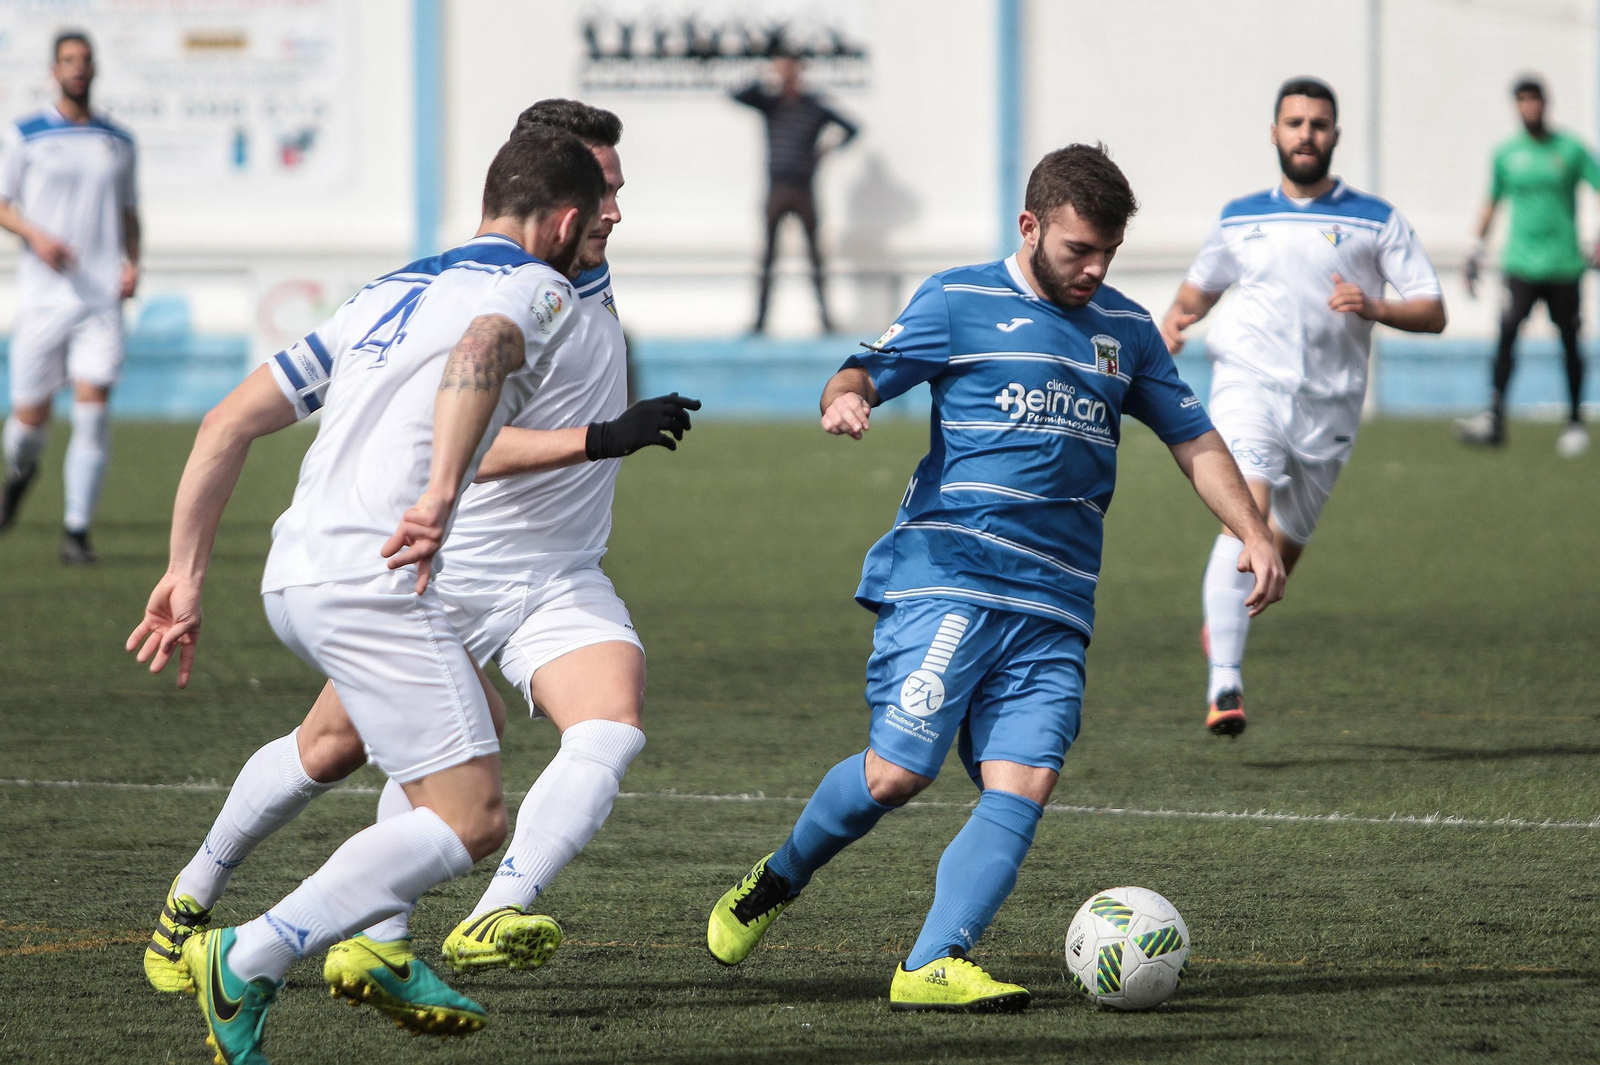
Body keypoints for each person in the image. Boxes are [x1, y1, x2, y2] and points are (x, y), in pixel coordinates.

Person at [140, 100, 700, 1035]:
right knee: (384, 771)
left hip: (434, 567)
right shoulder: (534, 289)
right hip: (419, 563)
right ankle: (235, 936)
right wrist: (474, 481)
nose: (613, 212)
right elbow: (481, 373)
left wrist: (185, 572)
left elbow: (226, 420)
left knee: (567, 725)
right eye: (601, 193)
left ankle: (423, 931)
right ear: (560, 207)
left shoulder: (400, 290)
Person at [705, 144, 1286, 1012]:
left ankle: (932, 960)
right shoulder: (957, 299)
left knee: (1025, 780)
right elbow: (866, 365)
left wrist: (1253, 530)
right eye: (1075, 250)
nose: (1092, 270)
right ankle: (779, 877)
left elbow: (1192, 439)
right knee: (898, 775)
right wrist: (848, 395)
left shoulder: (1124, 332)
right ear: (1030, 227)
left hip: (1055, 603)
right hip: (951, 578)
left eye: (1106, 255)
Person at [1159, 77, 1446, 737]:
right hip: (1249, 387)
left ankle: (1221, 624)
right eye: (1294, 123)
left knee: (1278, 561)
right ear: (1274, 132)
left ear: (1335, 136)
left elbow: (1433, 309)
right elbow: (1197, 290)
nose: (1306, 134)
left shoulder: (1376, 219)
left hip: (1331, 409)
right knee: (1246, 517)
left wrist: (1375, 306)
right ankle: (1224, 683)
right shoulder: (1240, 216)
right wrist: (1176, 320)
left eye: (1318, 124)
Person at [0, 30, 139, 561]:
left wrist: (133, 264)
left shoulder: (118, 140)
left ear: (95, 69)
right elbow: (3, 203)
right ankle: (19, 474)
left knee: (93, 412)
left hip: (100, 300)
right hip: (43, 300)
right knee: (27, 427)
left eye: (85, 60)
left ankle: (76, 531)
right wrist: (35, 235)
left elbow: (129, 212)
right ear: (53, 71)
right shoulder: (26, 135)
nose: (78, 68)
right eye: (68, 61)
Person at [1456, 76, 1600, 456]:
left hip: (1564, 263)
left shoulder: (1570, 150)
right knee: (1506, 336)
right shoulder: (1507, 154)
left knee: (1570, 342)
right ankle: (1495, 417)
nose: (1529, 107)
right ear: (1516, 106)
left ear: (1545, 104)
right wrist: (1474, 248)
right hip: (1520, 263)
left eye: (1534, 100)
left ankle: (1574, 422)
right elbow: (1492, 201)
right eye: (1522, 101)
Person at [732, 54, 857, 334]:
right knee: (768, 257)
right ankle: (760, 321)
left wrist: (825, 150)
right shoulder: (771, 104)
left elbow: (851, 128)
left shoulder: (813, 106)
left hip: (803, 189)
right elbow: (738, 95)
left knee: (815, 256)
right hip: (777, 188)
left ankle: (826, 319)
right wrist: (766, 76)